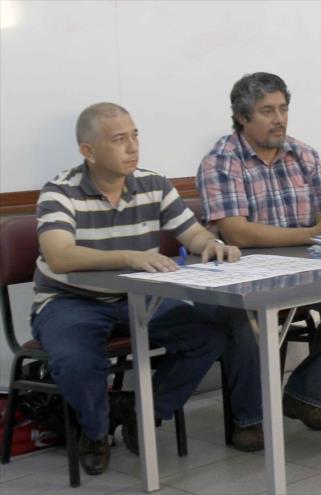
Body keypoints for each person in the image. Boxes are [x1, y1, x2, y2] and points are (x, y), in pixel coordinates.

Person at [31, 102, 246, 475]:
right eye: (119, 139)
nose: (132, 147)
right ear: (88, 151)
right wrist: (128, 257)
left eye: (135, 136)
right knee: (77, 360)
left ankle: (139, 411)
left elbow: (191, 232)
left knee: (209, 336)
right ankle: (95, 432)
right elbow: (60, 256)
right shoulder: (59, 192)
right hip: (70, 300)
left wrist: (209, 244)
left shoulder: (153, 184)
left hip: (139, 297)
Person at [197, 72, 321, 431]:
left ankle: (306, 395)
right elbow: (237, 232)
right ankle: (249, 420)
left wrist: (318, 231)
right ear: (242, 118)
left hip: (302, 268)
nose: (279, 119)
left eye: (283, 108)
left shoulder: (304, 153)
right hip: (240, 275)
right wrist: (308, 234)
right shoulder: (221, 160)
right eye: (267, 111)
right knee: (243, 320)